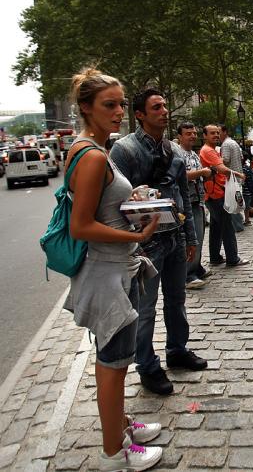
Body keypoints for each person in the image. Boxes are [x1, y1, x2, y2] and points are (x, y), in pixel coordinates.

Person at [64, 68, 162, 470]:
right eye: (110, 105)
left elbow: (99, 210)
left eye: (121, 103)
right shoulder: (90, 155)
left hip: (114, 269)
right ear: (86, 107)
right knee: (114, 363)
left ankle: (119, 426)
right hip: (109, 274)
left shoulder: (95, 149)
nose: (119, 111)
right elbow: (81, 225)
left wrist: (132, 205)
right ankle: (112, 452)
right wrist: (136, 237)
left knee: (116, 358)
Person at [110, 89, 207, 396]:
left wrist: (190, 237)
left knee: (176, 300)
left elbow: (182, 199)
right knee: (146, 309)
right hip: (145, 243)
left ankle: (177, 350)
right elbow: (115, 203)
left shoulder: (174, 152)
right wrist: (132, 242)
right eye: (156, 107)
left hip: (175, 238)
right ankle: (148, 366)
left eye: (165, 105)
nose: (164, 111)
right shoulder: (123, 151)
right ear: (139, 114)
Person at [200, 124, 250, 267]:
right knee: (227, 227)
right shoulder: (208, 151)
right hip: (217, 193)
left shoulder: (210, 150)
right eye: (212, 133)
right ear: (204, 136)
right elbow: (221, 168)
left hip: (214, 193)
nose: (215, 135)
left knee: (216, 227)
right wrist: (238, 174)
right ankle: (232, 258)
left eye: (217, 133)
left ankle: (215, 257)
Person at [176, 122, 213, 290]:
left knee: (200, 235)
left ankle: (196, 267)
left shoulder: (194, 154)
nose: (192, 136)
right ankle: (187, 274)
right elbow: (181, 176)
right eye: (188, 133)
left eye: (194, 133)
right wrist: (202, 173)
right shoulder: (178, 154)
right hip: (187, 202)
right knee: (192, 238)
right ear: (180, 136)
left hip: (198, 200)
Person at [220, 124, 246, 233]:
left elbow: (225, 160)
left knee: (233, 202)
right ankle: (239, 222)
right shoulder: (234, 142)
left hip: (231, 178)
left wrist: (215, 161)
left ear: (225, 132)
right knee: (237, 200)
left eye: (218, 132)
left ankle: (237, 225)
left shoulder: (225, 144)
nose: (217, 134)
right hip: (238, 176)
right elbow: (241, 157)